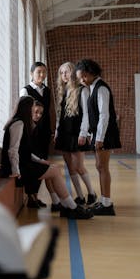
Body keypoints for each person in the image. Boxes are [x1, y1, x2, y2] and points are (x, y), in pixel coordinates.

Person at [0, 96, 93, 219]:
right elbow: (13, 150)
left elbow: (24, 151)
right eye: (33, 107)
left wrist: (40, 161)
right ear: (27, 108)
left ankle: (66, 206)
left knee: (52, 167)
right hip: (18, 169)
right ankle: (71, 207)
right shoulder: (18, 123)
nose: (35, 110)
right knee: (54, 171)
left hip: (23, 164)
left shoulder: (22, 123)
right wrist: (16, 171)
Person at [75, 59, 121, 216]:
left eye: (83, 77)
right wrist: (90, 134)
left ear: (91, 73)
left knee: (103, 167)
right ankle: (103, 200)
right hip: (99, 134)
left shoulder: (101, 89)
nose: (81, 80)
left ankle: (107, 204)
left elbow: (104, 116)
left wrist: (99, 138)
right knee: (99, 166)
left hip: (105, 134)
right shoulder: (92, 88)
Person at [54, 62, 97, 206]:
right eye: (61, 73)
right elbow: (60, 115)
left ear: (73, 73)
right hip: (64, 133)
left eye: (66, 72)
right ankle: (79, 196)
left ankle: (91, 193)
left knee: (78, 166)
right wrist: (56, 131)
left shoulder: (82, 90)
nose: (64, 75)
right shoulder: (63, 90)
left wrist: (83, 133)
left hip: (77, 133)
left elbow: (86, 114)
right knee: (70, 167)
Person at [19, 62, 53, 208]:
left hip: (44, 132)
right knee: (32, 163)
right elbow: (22, 112)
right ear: (31, 73)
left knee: (42, 162)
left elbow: (49, 111)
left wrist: (52, 130)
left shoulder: (47, 90)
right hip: (31, 132)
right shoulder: (25, 90)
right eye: (39, 72)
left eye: (44, 72)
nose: (42, 75)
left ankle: (36, 196)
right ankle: (30, 196)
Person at [30, 101, 62, 212]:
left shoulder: (35, 125)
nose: (38, 115)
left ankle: (56, 202)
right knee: (51, 169)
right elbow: (25, 152)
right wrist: (41, 161)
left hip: (33, 158)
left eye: (41, 113)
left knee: (50, 169)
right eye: (36, 112)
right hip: (25, 164)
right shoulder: (26, 127)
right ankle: (58, 202)